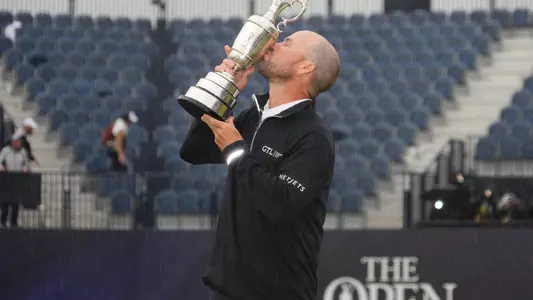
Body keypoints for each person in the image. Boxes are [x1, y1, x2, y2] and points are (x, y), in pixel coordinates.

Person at [180, 30, 340, 300]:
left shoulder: (314, 135)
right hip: (226, 289)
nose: (273, 45)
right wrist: (225, 91)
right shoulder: (255, 114)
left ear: (305, 66)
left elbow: (281, 202)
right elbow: (194, 151)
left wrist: (236, 150)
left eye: (286, 43)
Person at [0, 138, 30, 228]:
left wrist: (25, 169)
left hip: (17, 180)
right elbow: (0, 161)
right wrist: (2, 168)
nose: (18, 143)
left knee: (15, 203)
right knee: (5, 202)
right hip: (7, 179)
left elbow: (26, 164)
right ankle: (3, 222)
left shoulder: (23, 152)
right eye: (16, 141)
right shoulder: (6, 150)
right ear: (12, 142)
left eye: (19, 142)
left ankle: (14, 223)